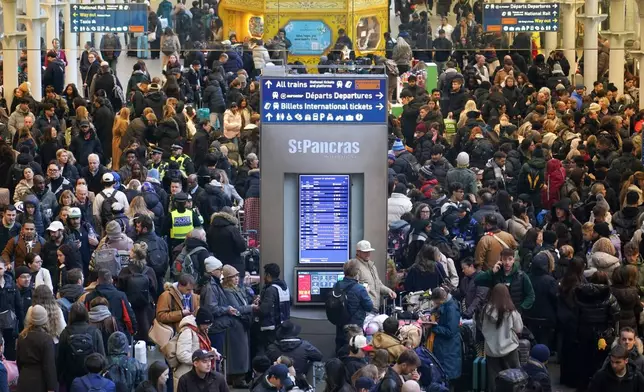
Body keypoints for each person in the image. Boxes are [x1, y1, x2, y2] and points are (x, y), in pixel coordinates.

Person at [480, 284, 524, 391]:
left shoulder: (485, 310)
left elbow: (481, 326)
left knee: (494, 378)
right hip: (509, 348)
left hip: (491, 350)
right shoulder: (511, 311)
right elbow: (519, 328)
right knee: (514, 377)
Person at [57, 303, 106, 391]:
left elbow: (60, 359)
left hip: (71, 377)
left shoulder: (65, 333)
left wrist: (59, 378)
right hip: (92, 376)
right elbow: (102, 356)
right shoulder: (94, 332)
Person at [332, 259, 373, 352]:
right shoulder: (360, 289)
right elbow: (369, 307)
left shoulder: (336, 285)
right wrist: (366, 292)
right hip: (355, 326)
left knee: (340, 350)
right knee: (355, 351)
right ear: (357, 272)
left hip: (340, 324)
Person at [83, 270, 137, 339]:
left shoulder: (89, 297)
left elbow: (86, 317)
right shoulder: (120, 296)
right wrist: (132, 331)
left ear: (98, 281)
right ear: (111, 280)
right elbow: (128, 317)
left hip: (95, 336)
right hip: (117, 334)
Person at [16, 305, 57, 392]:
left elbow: (18, 361)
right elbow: (49, 366)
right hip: (40, 382)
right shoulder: (46, 339)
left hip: (24, 379)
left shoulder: (22, 336)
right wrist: (52, 387)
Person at [174, 308, 215, 391]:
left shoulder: (200, 330)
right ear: (201, 323)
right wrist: (199, 360)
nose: (208, 327)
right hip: (186, 374)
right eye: (207, 325)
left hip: (196, 374)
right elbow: (181, 354)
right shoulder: (187, 332)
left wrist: (213, 352)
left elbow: (202, 348)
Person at [428, 288, 462, 383]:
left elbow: (450, 331)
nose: (435, 304)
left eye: (436, 302)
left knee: (447, 379)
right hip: (444, 349)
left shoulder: (451, 309)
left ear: (441, 299)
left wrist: (433, 327)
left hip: (448, 350)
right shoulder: (446, 306)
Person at [351, 240, 395, 311]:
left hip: (373, 308)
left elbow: (378, 284)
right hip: (363, 309)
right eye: (365, 252)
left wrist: (389, 291)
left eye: (369, 251)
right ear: (358, 252)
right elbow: (354, 289)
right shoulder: (355, 267)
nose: (368, 254)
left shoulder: (372, 266)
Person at [258, 263, 291, 351]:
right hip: (282, 327)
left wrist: (257, 305)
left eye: (265, 274)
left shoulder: (271, 289)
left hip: (271, 329)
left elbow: (264, 310)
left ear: (268, 275)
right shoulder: (284, 287)